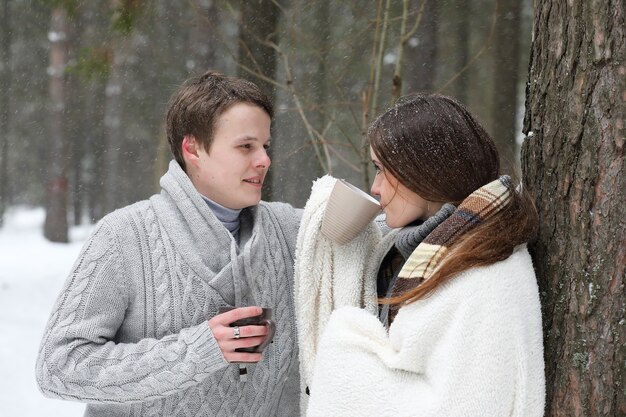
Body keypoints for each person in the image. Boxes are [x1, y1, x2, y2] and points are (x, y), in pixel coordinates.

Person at [36, 71, 302, 416]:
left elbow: (384, 232)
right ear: (193, 149)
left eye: (265, 146)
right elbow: (58, 367)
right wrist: (200, 350)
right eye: (245, 146)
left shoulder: (288, 229)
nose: (264, 160)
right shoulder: (124, 236)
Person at [304, 94, 545, 417]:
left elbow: (471, 405)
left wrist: (346, 356)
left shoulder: (485, 274)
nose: (374, 187)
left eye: (381, 170)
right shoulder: (432, 251)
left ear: (422, 171)